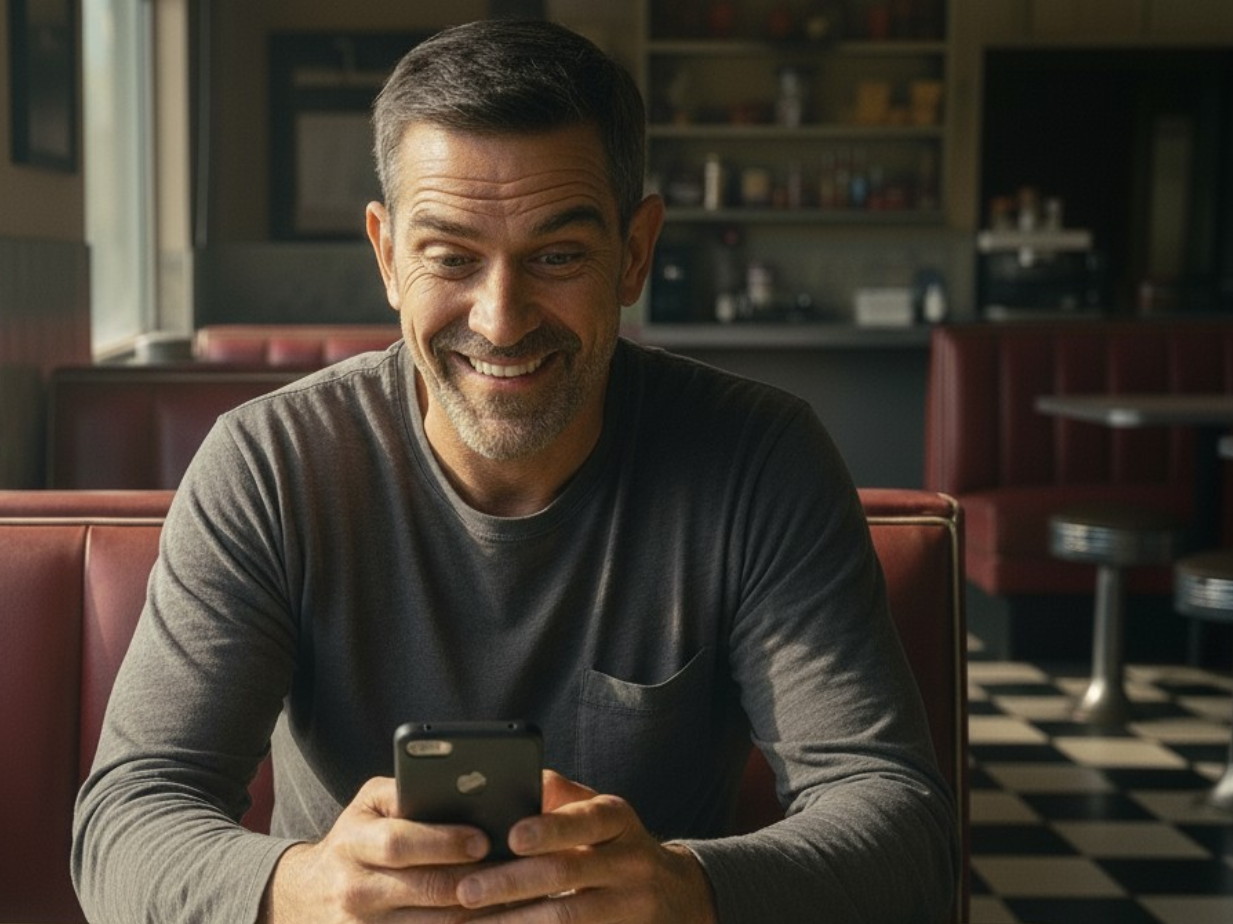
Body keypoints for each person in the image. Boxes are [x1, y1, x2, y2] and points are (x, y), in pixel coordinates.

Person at [73, 18, 956, 923]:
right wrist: (299, 892)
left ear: (636, 252)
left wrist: (683, 890)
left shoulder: (760, 461)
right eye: (452, 257)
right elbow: (126, 818)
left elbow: (903, 828)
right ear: (386, 255)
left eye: (559, 256)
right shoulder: (268, 467)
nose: (500, 319)